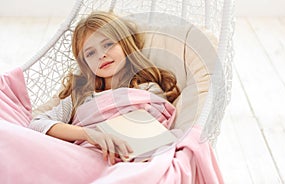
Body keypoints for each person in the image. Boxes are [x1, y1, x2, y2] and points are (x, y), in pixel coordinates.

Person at [28, 11, 180, 165]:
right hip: (76, 158)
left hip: (118, 163)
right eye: (90, 53)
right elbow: (36, 124)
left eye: (108, 44)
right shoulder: (80, 97)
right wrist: (87, 134)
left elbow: (155, 134)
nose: (101, 55)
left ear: (125, 43)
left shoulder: (146, 90)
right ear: (85, 64)